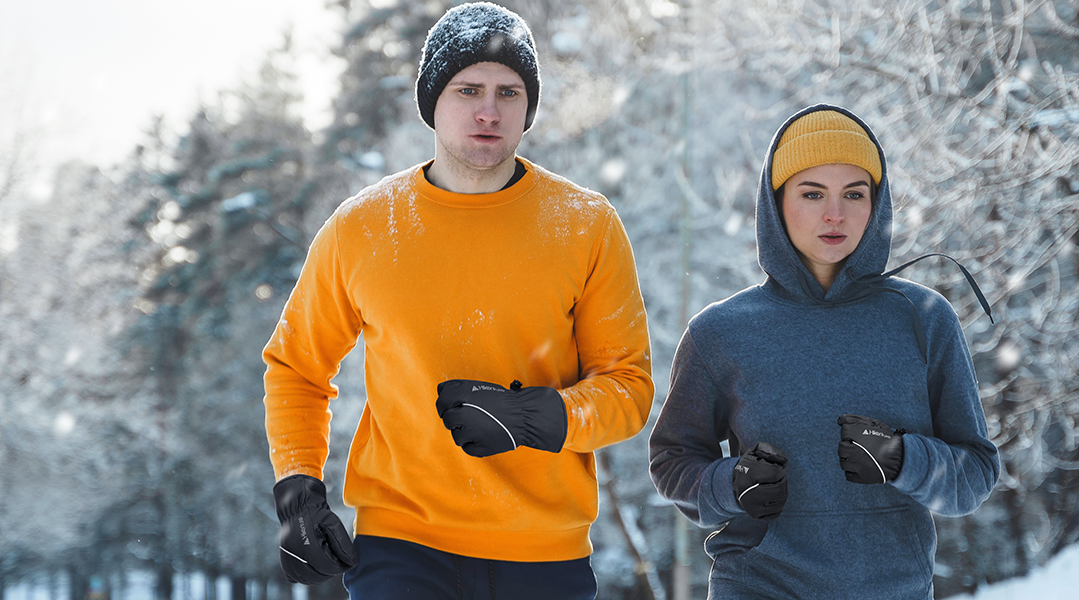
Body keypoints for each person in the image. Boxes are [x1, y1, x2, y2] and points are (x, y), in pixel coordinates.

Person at [261, 3, 654, 599]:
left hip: (543, 553)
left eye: (510, 92)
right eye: (468, 88)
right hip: (402, 550)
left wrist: (538, 418)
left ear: (529, 108)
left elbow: (628, 387)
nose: (489, 111)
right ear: (432, 102)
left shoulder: (585, 224)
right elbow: (296, 368)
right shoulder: (362, 228)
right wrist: (298, 494)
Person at [648, 104, 999, 599]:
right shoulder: (720, 333)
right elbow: (672, 462)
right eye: (812, 193)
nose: (835, 214)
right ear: (777, 203)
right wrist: (732, 484)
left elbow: (976, 474)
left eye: (854, 194)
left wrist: (905, 459)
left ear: (876, 204)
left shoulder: (924, 319)